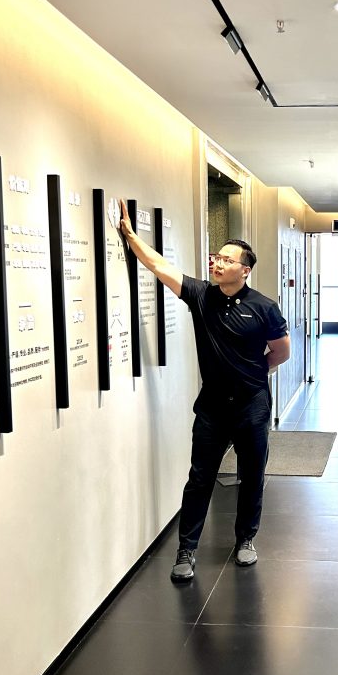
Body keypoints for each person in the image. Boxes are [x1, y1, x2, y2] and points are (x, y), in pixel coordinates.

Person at [118, 200, 290, 582]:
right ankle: (186, 549)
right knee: (200, 477)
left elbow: (281, 351)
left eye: (227, 260)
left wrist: (251, 373)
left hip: (252, 405)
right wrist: (130, 236)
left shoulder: (264, 308)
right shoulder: (201, 296)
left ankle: (245, 539)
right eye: (217, 257)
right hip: (212, 407)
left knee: (252, 475)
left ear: (244, 270)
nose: (218, 263)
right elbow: (159, 266)